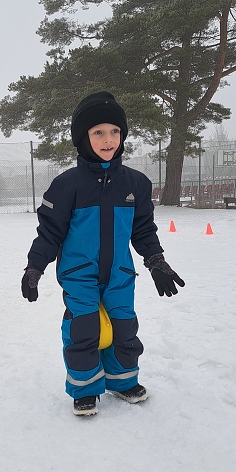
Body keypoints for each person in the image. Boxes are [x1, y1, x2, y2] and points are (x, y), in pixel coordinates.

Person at [21, 91, 185, 416]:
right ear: (83, 137)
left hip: (119, 274)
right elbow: (50, 232)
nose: (108, 139)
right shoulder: (66, 186)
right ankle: (84, 388)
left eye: (114, 131)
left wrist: (156, 261)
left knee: (124, 327)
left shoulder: (136, 184)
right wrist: (34, 268)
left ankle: (122, 381)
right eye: (98, 132)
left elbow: (142, 230)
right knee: (84, 329)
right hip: (78, 273)